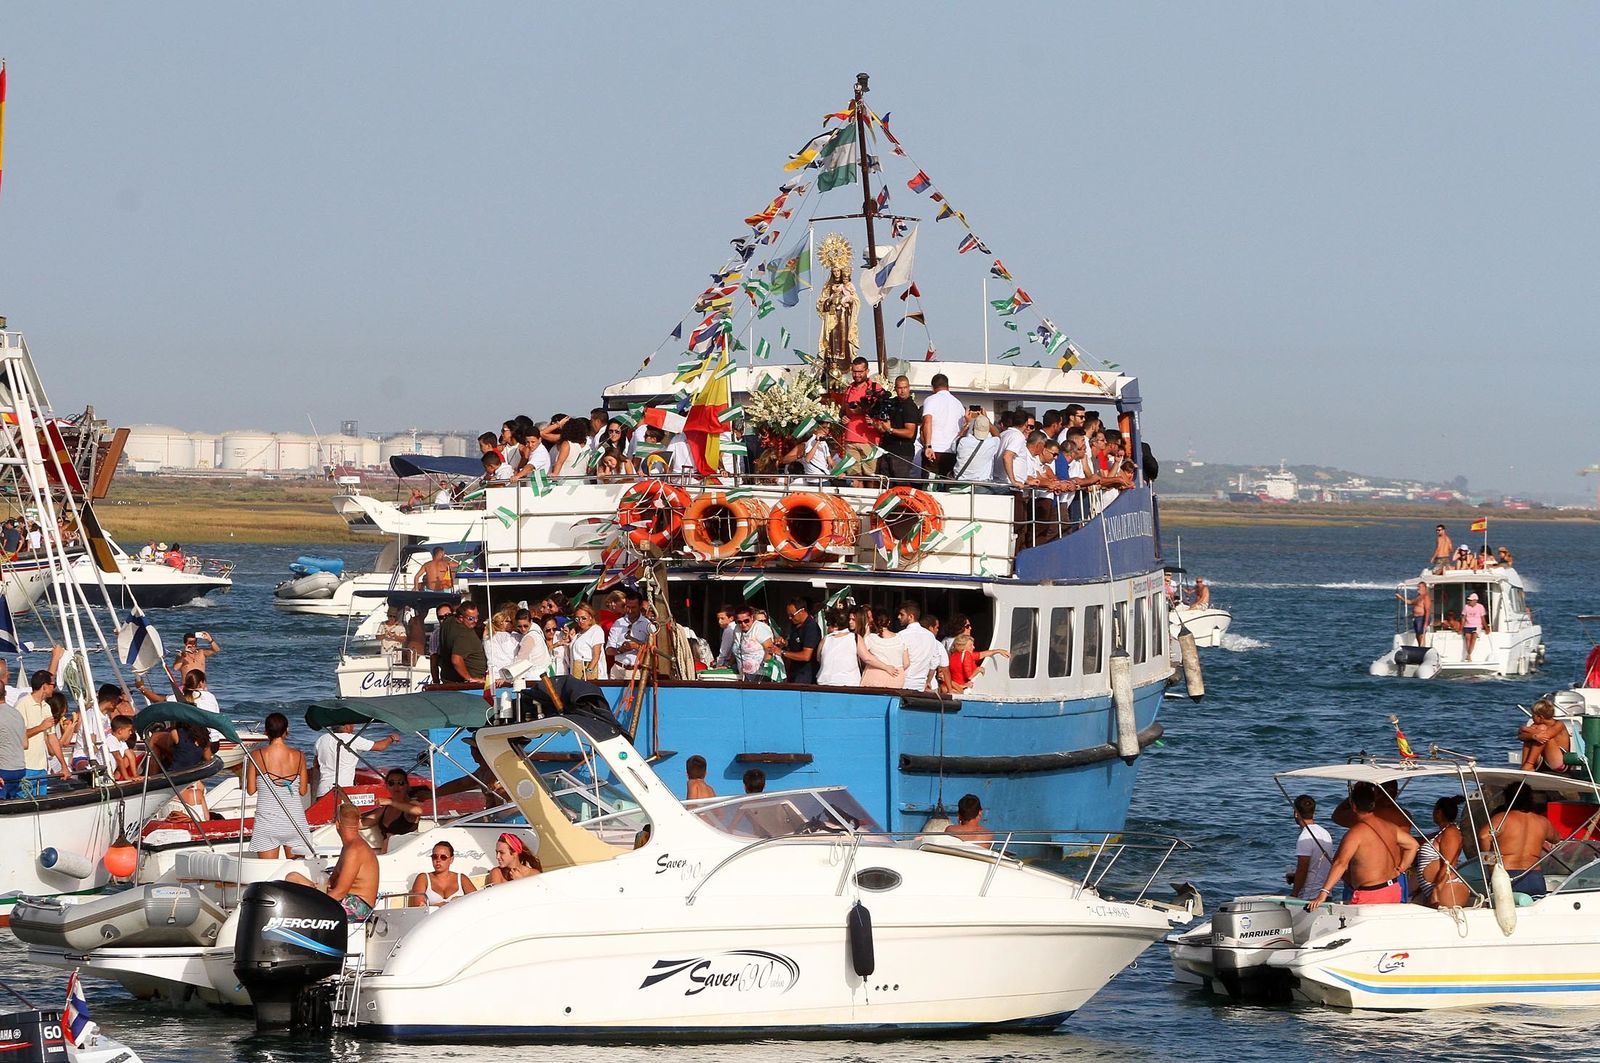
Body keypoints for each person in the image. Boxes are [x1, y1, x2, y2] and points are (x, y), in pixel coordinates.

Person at [1307, 781, 1419, 908]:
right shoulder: (1391, 826)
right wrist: (1401, 868)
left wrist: (1323, 893)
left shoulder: (1356, 833)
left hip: (1371, 893)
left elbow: (1340, 863)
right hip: (1393, 888)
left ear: (1354, 806)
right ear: (1373, 803)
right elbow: (1413, 845)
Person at [286, 802, 379, 922]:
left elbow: (340, 892)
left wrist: (314, 902)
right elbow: (333, 884)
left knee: (303, 908)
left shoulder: (355, 850)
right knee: (293, 877)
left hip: (357, 907)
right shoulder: (349, 846)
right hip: (344, 898)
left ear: (337, 824)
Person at [246, 712, 315, 859]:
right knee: (296, 870)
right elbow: (303, 791)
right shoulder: (299, 756)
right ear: (286, 731)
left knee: (268, 873)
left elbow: (251, 790)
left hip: (268, 822)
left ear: (266, 731)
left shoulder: (256, 755)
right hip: (294, 821)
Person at [1479, 783, 1560, 897]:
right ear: (1531, 799)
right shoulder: (1542, 822)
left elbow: (1483, 836)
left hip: (1507, 874)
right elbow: (1556, 838)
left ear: (1508, 798)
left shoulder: (1502, 819)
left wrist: (1491, 865)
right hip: (1534, 875)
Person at [310, 721, 400, 800]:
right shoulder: (352, 739)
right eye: (352, 725)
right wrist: (391, 738)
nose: (353, 727)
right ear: (346, 727)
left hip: (323, 789)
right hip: (343, 790)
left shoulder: (322, 739)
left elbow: (316, 764)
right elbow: (379, 747)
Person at [15, 669, 68, 794]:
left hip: (42, 767)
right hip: (25, 766)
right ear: (44, 686)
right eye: (52, 685)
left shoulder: (46, 707)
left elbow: (52, 737)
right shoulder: (22, 705)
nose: (53, 688)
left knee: (41, 801)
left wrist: (63, 765)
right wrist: (40, 727)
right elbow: (17, 736)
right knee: (23, 802)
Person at [1414, 796, 1469, 908]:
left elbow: (1449, 864)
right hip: (1439, 887)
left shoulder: (1451, 832)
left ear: (1438, 812)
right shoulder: (1442, 832)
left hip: (1447, 888)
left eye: (1434, 810)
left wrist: (1437, 890)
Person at [839, 356, 884, 481]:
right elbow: (842, 411)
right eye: (854, 371)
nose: (857, 375)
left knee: (871, 477)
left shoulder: (875, 388)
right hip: (850, 439)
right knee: (854, 476)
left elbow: (882, 410)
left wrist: (863, 410)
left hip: (869, 440)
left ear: (867, 371)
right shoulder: (848, 389)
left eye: (860, 372)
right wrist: (843, 417)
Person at [1285, 794, 1334, 901]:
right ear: (1313, 813)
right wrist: (1295, 876)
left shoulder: (1305, 837)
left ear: (1296, 814)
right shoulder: (1325, 833)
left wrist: (1294, 894)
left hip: (1310, 895)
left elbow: (1303, 868)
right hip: (1325, 893)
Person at [363, 768, 424, 852]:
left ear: (407, 785)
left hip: (406, 854)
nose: (396, 786)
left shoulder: (412, 804)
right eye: (391, 783)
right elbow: (363, 823)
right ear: (387, 786)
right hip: (387, 855)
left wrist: (390, 802)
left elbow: (418, 811)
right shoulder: (385, 807)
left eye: (401, 783)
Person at [919, 373, 966, 482]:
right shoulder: (958, 404)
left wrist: (928, 445)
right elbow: (962, 429)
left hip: (934, 451)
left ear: (933, 387)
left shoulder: (931, 400)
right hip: (952, 453)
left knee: (930, 487)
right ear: (948, 386)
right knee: (946, 487)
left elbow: (927, 422)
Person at [875, 375, 922, 480]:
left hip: (902, 453)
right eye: (900, 388)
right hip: (887, 450)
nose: (902, 391)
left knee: (900, 485)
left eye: (905, 387)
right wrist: (878, 425)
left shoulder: (910, 407)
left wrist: (890, 430)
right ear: (895, 389)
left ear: (909, 388)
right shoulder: (892, 403)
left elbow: (910, 433)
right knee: (884, 484)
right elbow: (885, 426)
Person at [410, 840, 477, 907]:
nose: (438, 860)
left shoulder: (462, 879)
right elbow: (419, 907)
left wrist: (461, 900)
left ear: (451, 859)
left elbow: (477, 901)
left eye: (443, 857)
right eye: (434, 856)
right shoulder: (423, 878)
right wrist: (445, 905)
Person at [605, 590, 654, 680]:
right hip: (617, 670)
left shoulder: (648, 625)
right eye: (627, 607)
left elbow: (654, 651)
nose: (630, 611)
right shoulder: (618, 623)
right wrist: (620, 649)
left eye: (633, 607)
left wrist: (637, 647)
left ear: (640, 606)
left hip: (636, 671)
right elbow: (608, 650)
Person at [896, 601, 943, 693]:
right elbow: (935, 662)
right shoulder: (930, 636)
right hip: (921, 684)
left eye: (902, 614)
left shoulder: (901, 635)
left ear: (911, 617)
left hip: (903, 683)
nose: (898, 617)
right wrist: (928, 681)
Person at [858, 608, 908, 688]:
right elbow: (906, 663)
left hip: (874, 678)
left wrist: (866, 631)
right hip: (896, 679)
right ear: (889, 622)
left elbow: (863, 654)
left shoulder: (871, 638)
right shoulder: (900, 638)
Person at [777, 597, 822, 685]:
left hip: (806, 675)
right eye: (788, 615)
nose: (790, 618)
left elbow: (806, 656)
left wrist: (782, 652)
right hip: (794, 671)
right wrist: (784, 643)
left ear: (802, 611)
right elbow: (794, 643)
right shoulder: (794, 625)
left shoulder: (811, 628)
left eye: (792, 615)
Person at [1519, 698, 1571, 772]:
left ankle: (1529, 764)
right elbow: (1521, 736)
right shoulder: (1535, 725)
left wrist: (1524, 728)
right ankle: (1524, 765)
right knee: (1532, 736)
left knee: (1541, 730)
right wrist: (1532, 736)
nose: (1532, 717)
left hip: (1559, 764)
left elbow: (1545, 736)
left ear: (1540, 717)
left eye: (1533, 715)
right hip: (1543, 761)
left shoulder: (1559, 724)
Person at [815, 606, 863, 687]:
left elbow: (818, 658)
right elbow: (867, 658)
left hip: (825, 682)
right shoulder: (855, 637)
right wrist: (886, 667)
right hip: (849, 683)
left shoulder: (825, 639)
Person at [445, 601, 488, 684]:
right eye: (471, 618)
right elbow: (456, 660)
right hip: (470, 684)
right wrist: (469, 679)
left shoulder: (448, 622)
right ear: (461, 618)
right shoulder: (465, 633)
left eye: (477, 617)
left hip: (448, 678)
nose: (476, 621)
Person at [730, 606, 777, 682]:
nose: (743, 624)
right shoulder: (737, 629)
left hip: (760, 675)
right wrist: (728, 664)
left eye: (746, 621)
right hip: (744, 675)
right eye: (739, 622)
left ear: (752, 617)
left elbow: (769, 649)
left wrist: (764, 671)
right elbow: (736, 650)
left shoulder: (760, 628)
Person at [0, 690, 26, 798]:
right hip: (19, 769)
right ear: (5, 693)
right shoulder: (17, 713)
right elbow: (25, 744)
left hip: (3, 769)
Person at [1396, 581, 1430, 647]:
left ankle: (1423, 646)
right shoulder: (1419, 597)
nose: (1417, 588)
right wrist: (1401, 597)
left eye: (1419, 587)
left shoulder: (1426, 597)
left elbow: (1427, 610)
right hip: (1416, 618)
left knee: (1421, 634)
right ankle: (1420, 646)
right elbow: (1410, 602)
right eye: (1417, 587)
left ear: (1424, 588)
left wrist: (1425, 623)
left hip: (1422, 617)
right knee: (1417, 633)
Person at [1460, 591, 1487, 661]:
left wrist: (1486, 627)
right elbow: (1463, 618)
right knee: (1467, 638)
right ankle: (1469, 655)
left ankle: (1469, 654)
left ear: (1475, 601)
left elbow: (1482, 618)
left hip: (1477, 625)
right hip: (1467, 625)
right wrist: (1461, 628)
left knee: (1474, 637)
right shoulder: (1466, 607)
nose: (1469, 601)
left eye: (1470, 600)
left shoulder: (1480, 607)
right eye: (1469, 600)